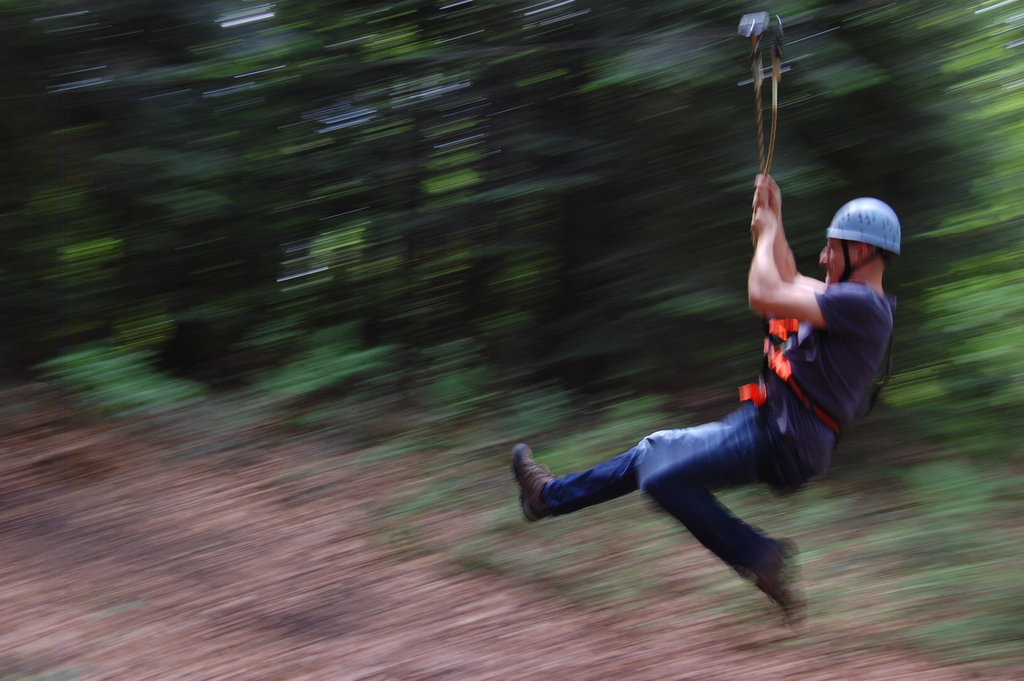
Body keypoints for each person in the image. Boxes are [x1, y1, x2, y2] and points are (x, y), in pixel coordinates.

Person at [511, 174, 899, 626]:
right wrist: (773, 215)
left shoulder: (864, 306)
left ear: (863, 252)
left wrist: (767, 235)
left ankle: (760, 554)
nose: (824, 256)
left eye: (833, 248)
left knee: (662, 480)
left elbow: (764, 293)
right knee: (652, 452)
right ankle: (547, 498)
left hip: (785, 441)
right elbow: (790, 276)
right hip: (768, 424)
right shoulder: (848, 298)